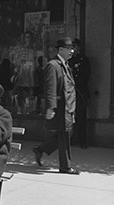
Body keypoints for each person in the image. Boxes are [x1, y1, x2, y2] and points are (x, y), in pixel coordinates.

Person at [32, 37, 80, 174]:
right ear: (60, 50)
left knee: (65, 134)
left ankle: (40, 149)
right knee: (65, 135)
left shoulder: (64, 64)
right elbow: (50, 89)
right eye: (69, 48)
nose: (72, 51)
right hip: (60, 108)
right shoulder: (53, 65)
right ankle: (66, 167)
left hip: (68, 107)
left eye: (72, 48)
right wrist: (51, 107)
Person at [69, 38, 91, 149]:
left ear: (79, 47)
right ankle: (70, 139)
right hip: (70, 93)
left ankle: (83, 141)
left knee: (82, 117)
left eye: (75, 47)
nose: (73, 49)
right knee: (70, 117)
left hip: (80, 92)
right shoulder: (69, 61)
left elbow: (86, 75)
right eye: (72, 47)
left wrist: (76, 84)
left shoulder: (84, 60)